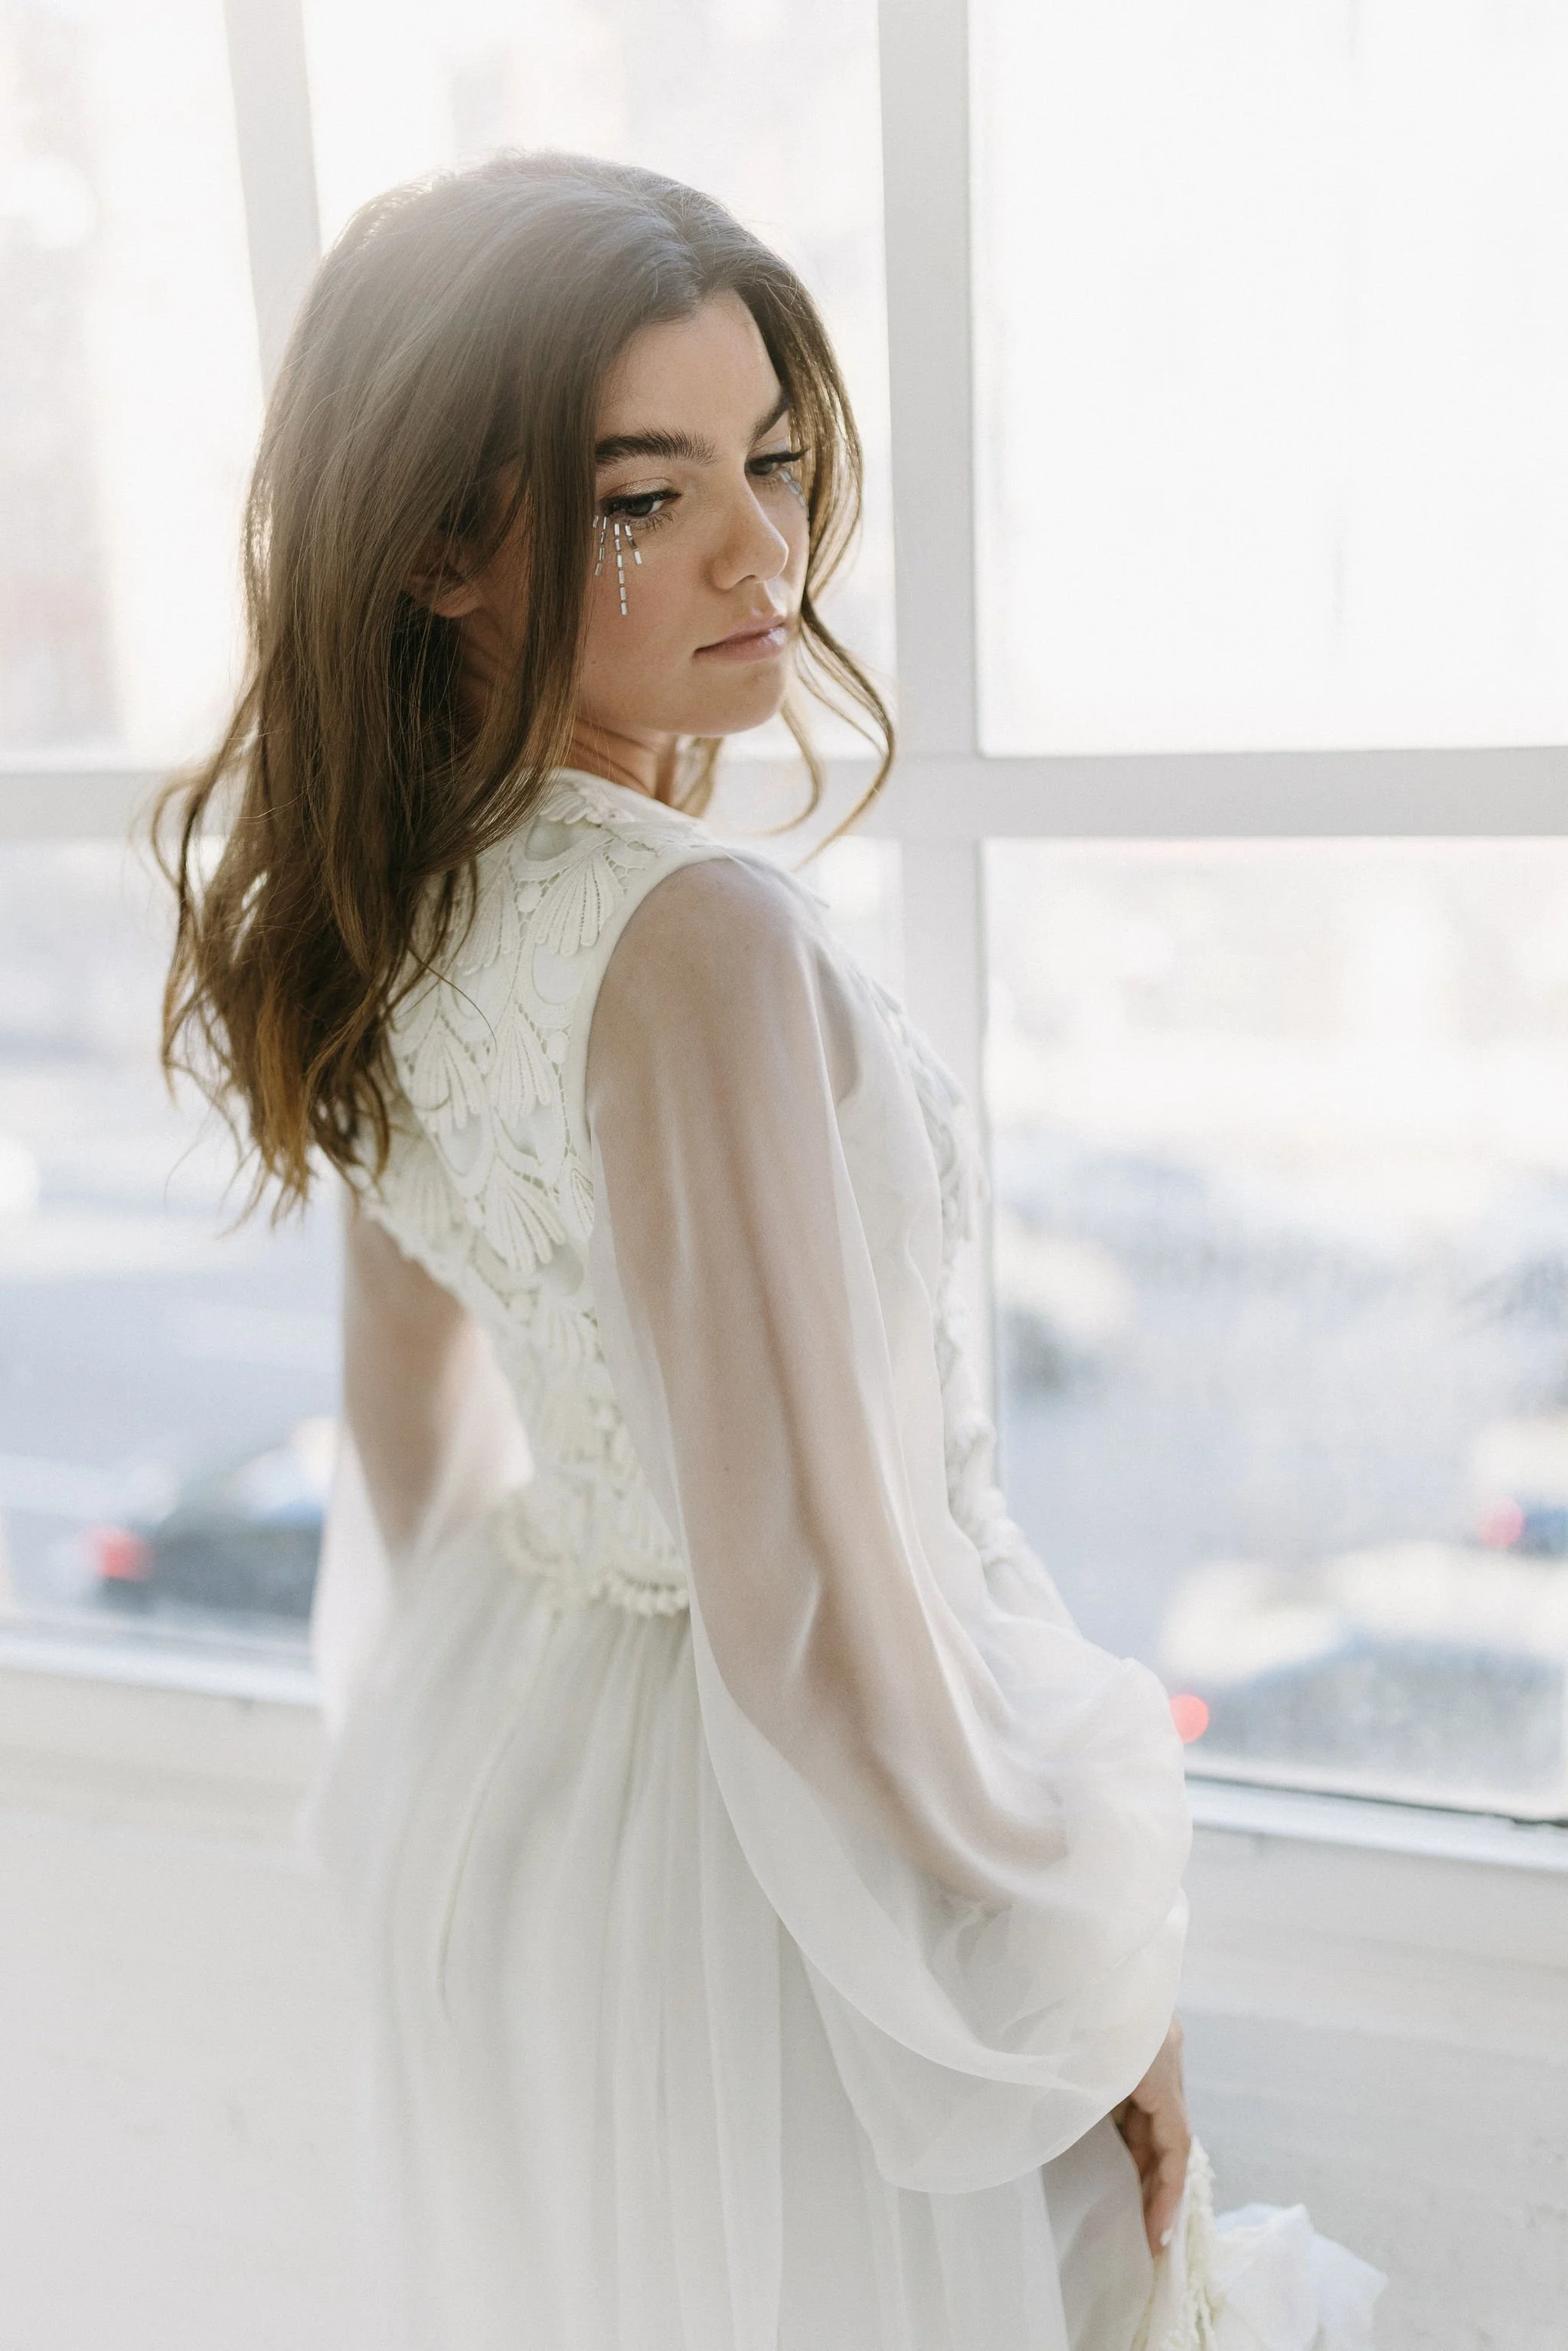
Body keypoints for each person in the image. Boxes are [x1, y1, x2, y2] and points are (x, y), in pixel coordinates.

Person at [159, 152, 1383, 2351]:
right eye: (647, 496)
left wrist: (441, 1803)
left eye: (776, 459)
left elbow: (408, 1451)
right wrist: (1078, 1985)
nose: (767, 550)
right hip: (738, 1877)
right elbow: (813, 1606)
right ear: (447, 547)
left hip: (526, 1789)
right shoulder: (691, 932)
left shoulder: (405, 892)